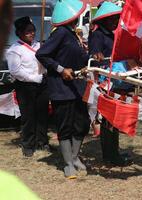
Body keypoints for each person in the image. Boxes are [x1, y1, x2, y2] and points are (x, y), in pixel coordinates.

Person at [36, 0, 90, 179]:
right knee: (65, 126)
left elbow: (79, 57)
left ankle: (74, 158)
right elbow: (41, 54)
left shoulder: (73, 34)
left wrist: (90, 59)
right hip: (62, 89)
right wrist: (60, 69)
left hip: (77, 88)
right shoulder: (60, 33)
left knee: (82, 124)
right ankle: (68, 163)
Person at [88, 1, 132, 166]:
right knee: (109, 119)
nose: (114, 21)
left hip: (115, 80)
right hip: (106, 82)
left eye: (116, 18)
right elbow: (94, 55)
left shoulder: (110, 33)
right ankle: (110, 155)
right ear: (104, 20)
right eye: (111, 18)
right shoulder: (98, 34)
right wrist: (97, 54)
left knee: (114, 119)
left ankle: (113, 152)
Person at [6, 16, 49, 157]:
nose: (31, 33)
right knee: (28, 116)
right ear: (20, 33)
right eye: (27, 31)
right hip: (25, 87)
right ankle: (28, 145)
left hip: (42, 83)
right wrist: (34, 78)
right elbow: (16, 71)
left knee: (42, 114)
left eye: (33, 30)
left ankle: (42, 141)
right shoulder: (14, 50)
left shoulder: (39, 46)